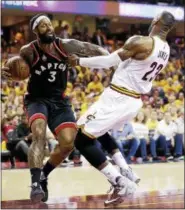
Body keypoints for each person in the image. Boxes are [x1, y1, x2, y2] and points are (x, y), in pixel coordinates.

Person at [1, 14, 111, 203]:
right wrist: (7, 71)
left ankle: (43, 175)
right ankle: (35, 183)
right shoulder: (28, 51)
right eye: (43, 26)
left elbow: (92, 48)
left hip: (59, 101)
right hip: (37, 100)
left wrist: (111, 60)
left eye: (49, 24)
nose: (48, 27)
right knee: (38, 133)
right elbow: (14, 68)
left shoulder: (66, 45)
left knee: (68, 143)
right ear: (35, 31)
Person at [68, 11, 175, 205]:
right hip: (133, 99)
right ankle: (126, 170)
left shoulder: (142, 42)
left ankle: (119, 181)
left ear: (156, 20)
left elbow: (109, 62)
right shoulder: (166, 49)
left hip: (119, 97)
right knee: (98, 132)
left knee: (80, 139)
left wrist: (78, 62)